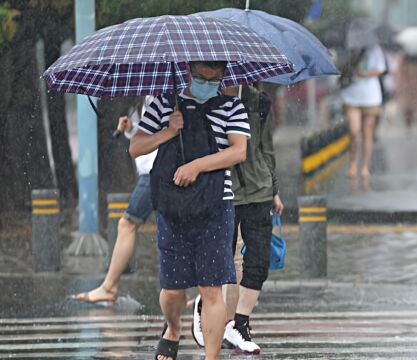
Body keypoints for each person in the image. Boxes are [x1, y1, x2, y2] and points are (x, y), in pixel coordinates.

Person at [130, 61, 250, 360]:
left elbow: (238, 151)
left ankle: (211, 357)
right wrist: (168, 132)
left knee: (211, 288)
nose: (207, 83)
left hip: (215, 206)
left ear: (223, 76)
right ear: (187, 70)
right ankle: (172, 327)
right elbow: (136, 147)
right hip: (172, 206)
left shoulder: (232, 107)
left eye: (214, 78)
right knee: (172, 289)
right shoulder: (164, 103)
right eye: (200, 77)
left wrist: (196, 166)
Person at [191, 84, 284, 355]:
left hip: (258, 190)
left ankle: (240, 324)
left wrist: (274, 189)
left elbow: (267, 149)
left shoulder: (259, 101)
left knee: (259, 262)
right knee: (220, 262)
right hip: (222, 191)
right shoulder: (204, 99)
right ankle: (205, 305)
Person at [73, 97, 155, 304]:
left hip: (155, 172)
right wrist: (131, 130)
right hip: (153, 171)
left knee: (127, 223)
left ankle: (109, 287)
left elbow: (160, 136)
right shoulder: (151, 96)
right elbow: (154, 134)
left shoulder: (160, 95)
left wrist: (135, 132)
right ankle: (187, 294)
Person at [339, 44, 387, 189]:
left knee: (367, 133)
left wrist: (365, 74)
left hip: (371, 97)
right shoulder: (348, 48)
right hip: (351, 96)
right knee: (354, 131)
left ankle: (365, 166)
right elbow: (340, 68)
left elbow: (381, 70)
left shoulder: (375, 49)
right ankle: (353, 162)